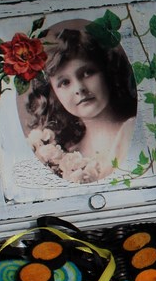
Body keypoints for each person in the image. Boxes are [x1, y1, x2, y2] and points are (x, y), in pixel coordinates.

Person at [24, 27, 137, 184]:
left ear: (107, 71)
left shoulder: (133, 131)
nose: (79, 88)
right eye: (65, 82)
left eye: (87, 73)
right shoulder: (67, 156)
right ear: (54, 95)